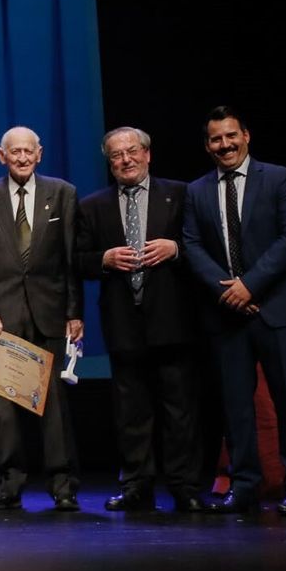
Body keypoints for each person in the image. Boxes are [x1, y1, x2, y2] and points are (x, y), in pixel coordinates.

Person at [182, 106, 286, 516]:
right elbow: (191, 245)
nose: (224, 145)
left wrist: (250, 284)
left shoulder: (279, 178)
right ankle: (244, 486)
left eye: (230, 136)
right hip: (226, 314)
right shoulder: (197, 190)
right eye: (216, 139)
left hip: (280, 309)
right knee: (235, 406)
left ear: (246, 136)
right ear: (207, 145)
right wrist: (229, 290)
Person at [75, 128, 208, 513]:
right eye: (116, 155)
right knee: (131, 412)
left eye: (132, 151)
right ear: (109, 162)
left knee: (179, 410)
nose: (125, 160)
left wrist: (177, 247)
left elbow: (205, 245)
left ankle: (185, 486)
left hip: (174, 321)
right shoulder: (93, 205)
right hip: (123, 323)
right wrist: (103, 259)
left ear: (148, 154)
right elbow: (76, 259)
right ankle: (137, 485)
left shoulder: (180, 194)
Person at [0, 126, 84, 511]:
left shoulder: (62, 193)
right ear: (2, 156)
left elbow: (71, 260)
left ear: (39, 154)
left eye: (27, 151)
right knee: (3, 408)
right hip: (2, 316)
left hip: (50, 313)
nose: (21, 158)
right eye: (14, 152)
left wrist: (74, 312)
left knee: (55, 407)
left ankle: (63, 485)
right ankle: (9, 484)